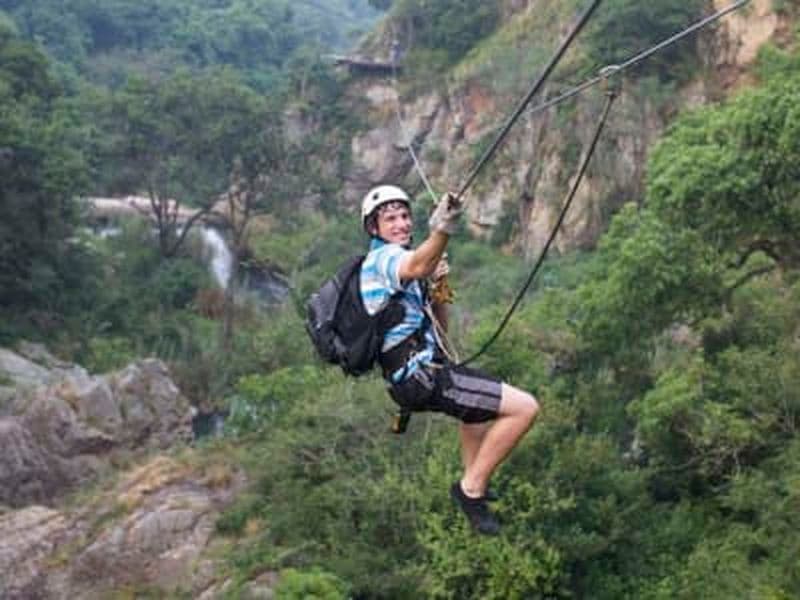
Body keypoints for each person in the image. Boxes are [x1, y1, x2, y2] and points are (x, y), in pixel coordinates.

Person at [359, 184, 540, 535]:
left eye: (404, 216)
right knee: (525, 408)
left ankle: (477, 483)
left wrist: (440, 283)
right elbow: (418, 261)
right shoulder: (384, 260)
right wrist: (443, 228)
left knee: (477, 414)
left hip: (423, 372)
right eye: (390, 219)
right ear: (373, 228)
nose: (400, 224)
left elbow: (441, 327)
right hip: (419, 376)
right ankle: (469, 490)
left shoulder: (407, 267)